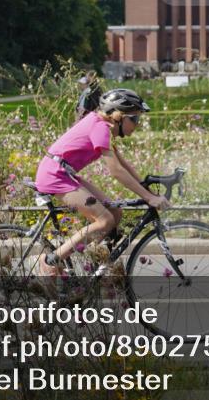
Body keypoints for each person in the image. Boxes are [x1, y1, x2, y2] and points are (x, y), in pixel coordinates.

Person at [33, 88, 171, 276]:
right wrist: (148, 197)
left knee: (115, 211)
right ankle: (50, 261)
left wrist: (147, 190)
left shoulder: (102, 125)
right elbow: (115, 171)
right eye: (135, 119)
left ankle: (96, 264)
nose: (137, 125)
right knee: (105, 220)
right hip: (54, 176)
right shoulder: (100, 128)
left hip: (63, 173)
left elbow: (123, 164)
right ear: (118, 116)